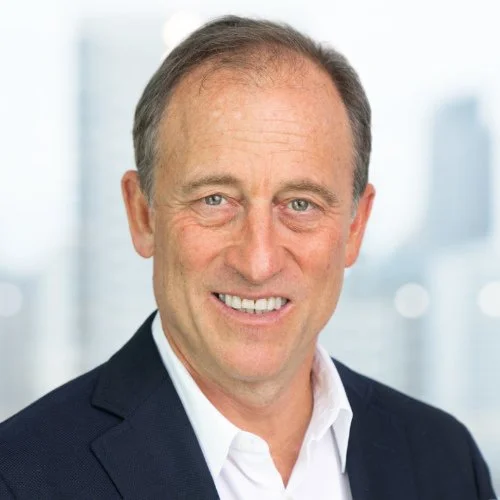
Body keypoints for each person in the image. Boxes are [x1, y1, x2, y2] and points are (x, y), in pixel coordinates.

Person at [0, 15, 496, 500]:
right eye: (215, 200)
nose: (258, 262)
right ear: (142, 214)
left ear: (354, 227)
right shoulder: (20, 479)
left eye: (300, 205)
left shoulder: (446, 462)